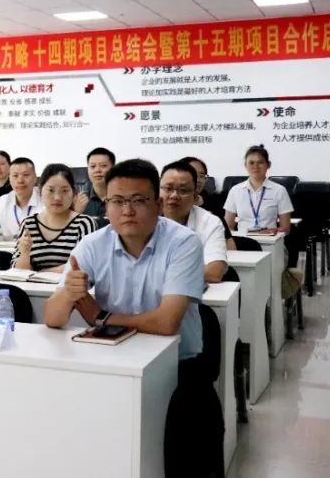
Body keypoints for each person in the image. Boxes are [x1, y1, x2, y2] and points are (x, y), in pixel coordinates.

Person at [44, 159, 218, 477]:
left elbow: (166, 323)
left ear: (158, 204)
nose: (127, 210)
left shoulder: (184, 242)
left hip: (178, 369)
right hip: (110, 364)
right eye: (117, 201)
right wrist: (69, 292)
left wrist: (102, 316)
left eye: (138, 200)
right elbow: (53, 319)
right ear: (106, 205)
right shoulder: (92, 244)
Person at [12, 164, 95, 272]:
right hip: (31, 283)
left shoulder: (83, 224)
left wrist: (42, 273)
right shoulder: (28, 224)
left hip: (69, 283)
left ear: (74, 193)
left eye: (64, 191)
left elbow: (83, 265)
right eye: (51, 190)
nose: (57, 197)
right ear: (40, 191)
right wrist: (25, 253)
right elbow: (17, 272)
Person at [161, 161, 228, 284]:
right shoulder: (142, 220)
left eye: (183, 190)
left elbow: (214, 271)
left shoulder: (209, 222)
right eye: (168, 189)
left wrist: (157, 277)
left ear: (195, 196)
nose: (174, 195)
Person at [223, 145, 293, 235]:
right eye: (251, 162)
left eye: (260, 162)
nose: (255, 166)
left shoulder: (279, 190)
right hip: (243, 239)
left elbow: (286, 228)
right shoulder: (235, 191)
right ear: (245, 165)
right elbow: (228, 226)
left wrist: (271, 232)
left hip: (270, 240)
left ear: (268, 165)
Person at [0, 157, 42, 240]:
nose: (20, 180)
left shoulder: (45, 202)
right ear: (10, 178)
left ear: (35, 178)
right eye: (15, 175)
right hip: (9, 248)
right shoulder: (2, 202)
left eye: (26, 175)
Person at [181, 156, 235, 250]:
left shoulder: (213, 205)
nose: (198, 179)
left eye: (202, 176)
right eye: (193, 174)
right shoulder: (170, 205)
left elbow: (229, 242)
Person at [73, 147, 115, 223]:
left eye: (103, 165)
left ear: (113, 169)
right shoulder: (78, 200)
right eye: (93, 166)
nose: (97, 170)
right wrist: (75, 213)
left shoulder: (122, 197)